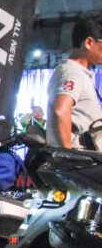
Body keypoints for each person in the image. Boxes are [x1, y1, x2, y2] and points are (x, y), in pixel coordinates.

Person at [47, 13, 102, 149]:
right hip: (79, 158)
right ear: (89, 42)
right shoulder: (71, 72)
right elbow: (60, 111)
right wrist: (68, 154)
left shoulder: (80, 73)